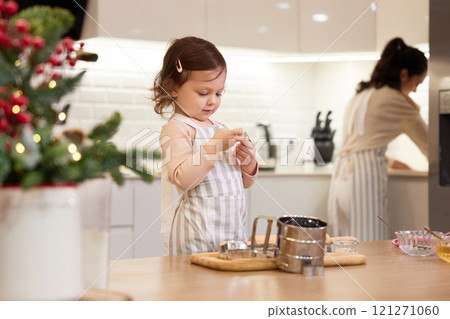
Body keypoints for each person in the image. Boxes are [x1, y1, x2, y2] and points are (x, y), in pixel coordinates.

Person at [153, 36, 258, 255]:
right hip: (196, 238)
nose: (213, 101)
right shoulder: (178, 128)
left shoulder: (219, 128)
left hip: (231, 235)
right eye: (203, 93)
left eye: (219, 93)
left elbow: (242, 183)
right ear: (173, 88)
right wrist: (216, 146)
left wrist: (248, 161)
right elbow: (182, 178)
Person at [327, 37, 428, 241]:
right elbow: (431, 146)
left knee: (343, 249)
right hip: (363, 180)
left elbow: (358, 142)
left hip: (340, 179)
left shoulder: (362, 94)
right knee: (370, 249)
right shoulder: (395, 98)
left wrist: (389, 161)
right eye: (417, 82)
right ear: (404, 74)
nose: (416, 90)